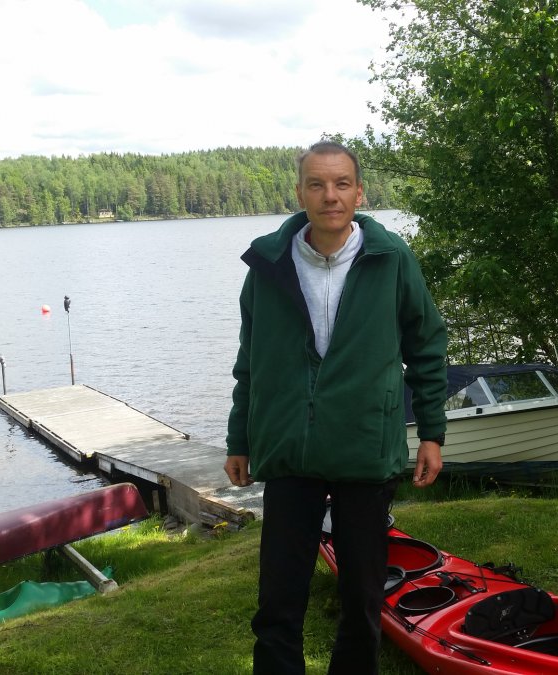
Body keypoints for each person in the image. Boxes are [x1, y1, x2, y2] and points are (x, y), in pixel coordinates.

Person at [224, 140, 448, 675]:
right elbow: (250, 359)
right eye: (317, 185)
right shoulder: (268, 265)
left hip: (364, 447)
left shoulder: (391, 260)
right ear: (299, 192)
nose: (330, 196)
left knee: (362, 600)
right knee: (278, 601)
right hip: (289, 449)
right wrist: (239, 440)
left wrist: (432, 432)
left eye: (341, 184)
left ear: (359, 192)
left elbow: (426, 345)